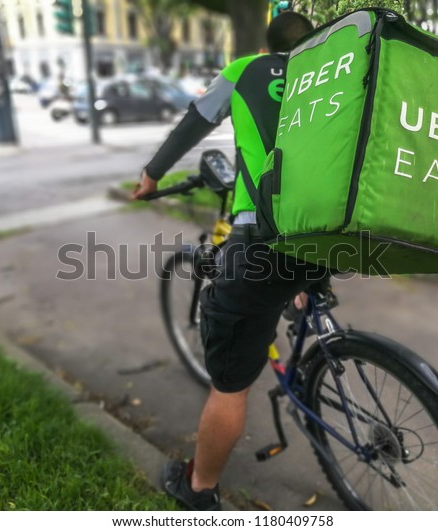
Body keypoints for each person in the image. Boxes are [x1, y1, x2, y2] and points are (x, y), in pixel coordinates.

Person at [133, 12, 319, 510]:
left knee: (230, 383)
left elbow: (194, 122)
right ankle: (312, 325)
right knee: (296, 277)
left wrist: (152, 175)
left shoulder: (245, 71)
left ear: (268, 46)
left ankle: (199, 490)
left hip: (261, 235)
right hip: (331, 232)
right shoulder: (334, 73)